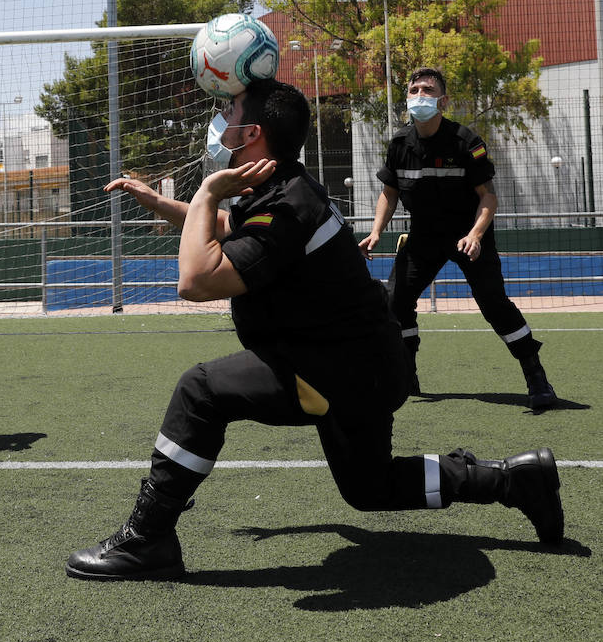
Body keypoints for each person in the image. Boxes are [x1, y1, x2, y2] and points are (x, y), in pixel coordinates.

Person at [65, 79, 564, 581]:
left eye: (230, 108)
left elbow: (195, 281)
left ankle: (148, 537)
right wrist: (160, 202)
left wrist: (204, 191)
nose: (220, 117)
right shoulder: (281, 187)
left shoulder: (285, 204)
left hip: (339, 367)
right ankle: (513, 481)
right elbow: (221, 228)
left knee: (200, 392)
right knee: (370, 489)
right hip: (363, 363)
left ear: (252, 132)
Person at [358, 67, 557, 410]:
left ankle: (536, 375)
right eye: (414, 89)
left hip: (468, 236)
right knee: (394, 303)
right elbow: (388, 193)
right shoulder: (399, 144)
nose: (419, 95)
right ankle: (407, 373)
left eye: (428, 90)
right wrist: (376, 231)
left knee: (494, 304)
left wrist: (476, 235)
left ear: (443, 100)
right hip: (422, 236)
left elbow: (488, 197)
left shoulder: (466, 142)